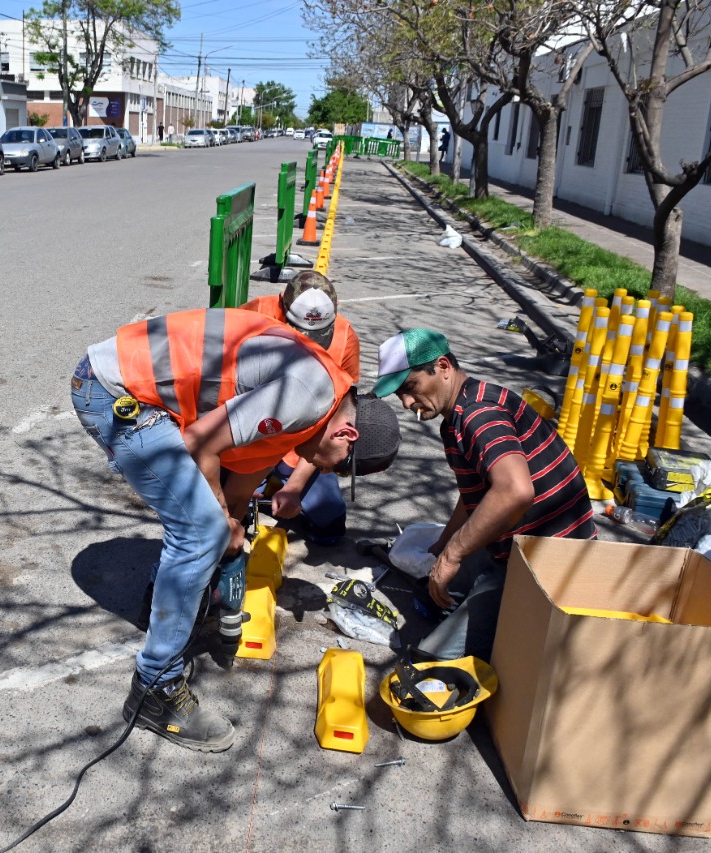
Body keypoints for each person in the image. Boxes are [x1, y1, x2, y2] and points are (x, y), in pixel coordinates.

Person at [73, 309, 397, 752]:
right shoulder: (306, 395)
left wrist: (234, 537)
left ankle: (171, 599)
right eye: (335, 466)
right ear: (347, 434)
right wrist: (220, 528)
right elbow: (201, 444)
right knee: (199, 531)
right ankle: (155, 690)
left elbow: (244, 477)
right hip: (113, 390)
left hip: (137, 388)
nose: (319, 469)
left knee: (212, 528)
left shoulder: (316, 405)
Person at [373, 329, 595, 661]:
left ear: (444, 367)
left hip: (547, 559)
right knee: (437, 593)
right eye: (400, 395)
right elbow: (477, 492)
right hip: (520, 541)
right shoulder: (459, 415)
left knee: (429, 664)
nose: (407, 404)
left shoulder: (478, 415)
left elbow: (514, 491)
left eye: (410, 388)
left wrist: (452, 556)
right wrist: (445, 543)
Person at [240, 271, 360, 544]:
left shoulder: (345, 338)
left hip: (300, 447)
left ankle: (275, 485)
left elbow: (330, 425)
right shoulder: (256, 314)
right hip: (246, 437)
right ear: (282, 306)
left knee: (330, 527)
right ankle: (255, 490)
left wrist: (294, 487)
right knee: (230, 516)